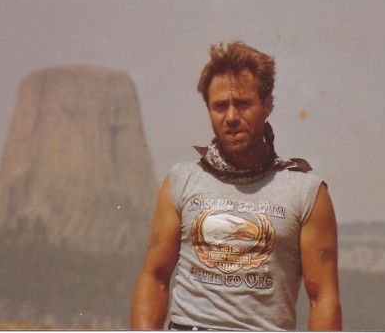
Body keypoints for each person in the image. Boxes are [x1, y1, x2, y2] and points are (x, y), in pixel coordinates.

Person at [131, 41, 341, 331]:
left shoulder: (306, 192)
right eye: (220, 106)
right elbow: (154, 277)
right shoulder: (181, 180)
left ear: (267, 105)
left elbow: (323, 298)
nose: (231, 117)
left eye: (243, 103)